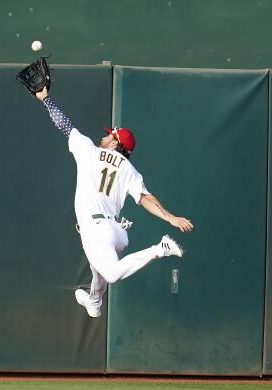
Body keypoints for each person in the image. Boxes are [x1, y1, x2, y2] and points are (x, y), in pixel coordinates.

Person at [34, 86, 194, 318]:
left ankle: (160, 249)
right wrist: (171, 217)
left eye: (110, 135)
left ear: (114, 144)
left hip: (95, 229)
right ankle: (94, 302)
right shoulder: (129, 168)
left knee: (110, 274)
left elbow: (64, 124)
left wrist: (45, 99)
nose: (105, 136)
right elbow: (146, 199)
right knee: (98, 272)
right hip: (116, 233)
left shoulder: (89, 150)